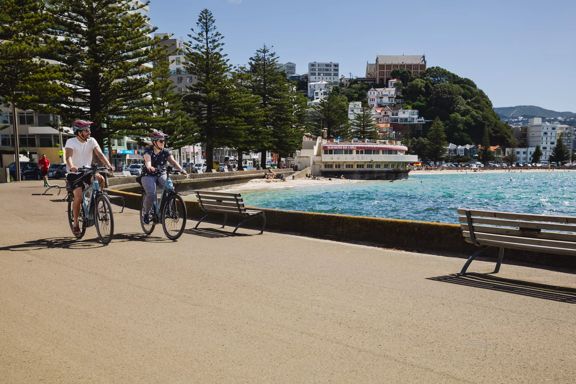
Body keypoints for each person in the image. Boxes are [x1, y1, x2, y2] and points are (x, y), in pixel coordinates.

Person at [65, 119, 114, 235]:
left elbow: (100, 154)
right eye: (86, 130)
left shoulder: (91, 141)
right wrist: (72, 166)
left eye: (89, 130)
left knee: (100, 179)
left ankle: (98, 201)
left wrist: (108, 165)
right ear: (78, 132)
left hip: (87, 171)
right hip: (75, 174)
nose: (89, 132)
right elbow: (68, 157)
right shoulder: (71, 142)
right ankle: (76, 223)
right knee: (78, 196)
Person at [141, 130, 187, 224]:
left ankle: (167, 209)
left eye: (164, 141)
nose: (163, 143)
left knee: (170, 189)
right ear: (154, 142)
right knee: (151, 193)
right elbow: (147, 160)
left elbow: (173, 162)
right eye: (161, 141)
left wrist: (181, 170)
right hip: (148, 174)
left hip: (161, 173)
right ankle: (146, 213)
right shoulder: (148, 151)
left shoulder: (166, 152)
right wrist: (149, 166)